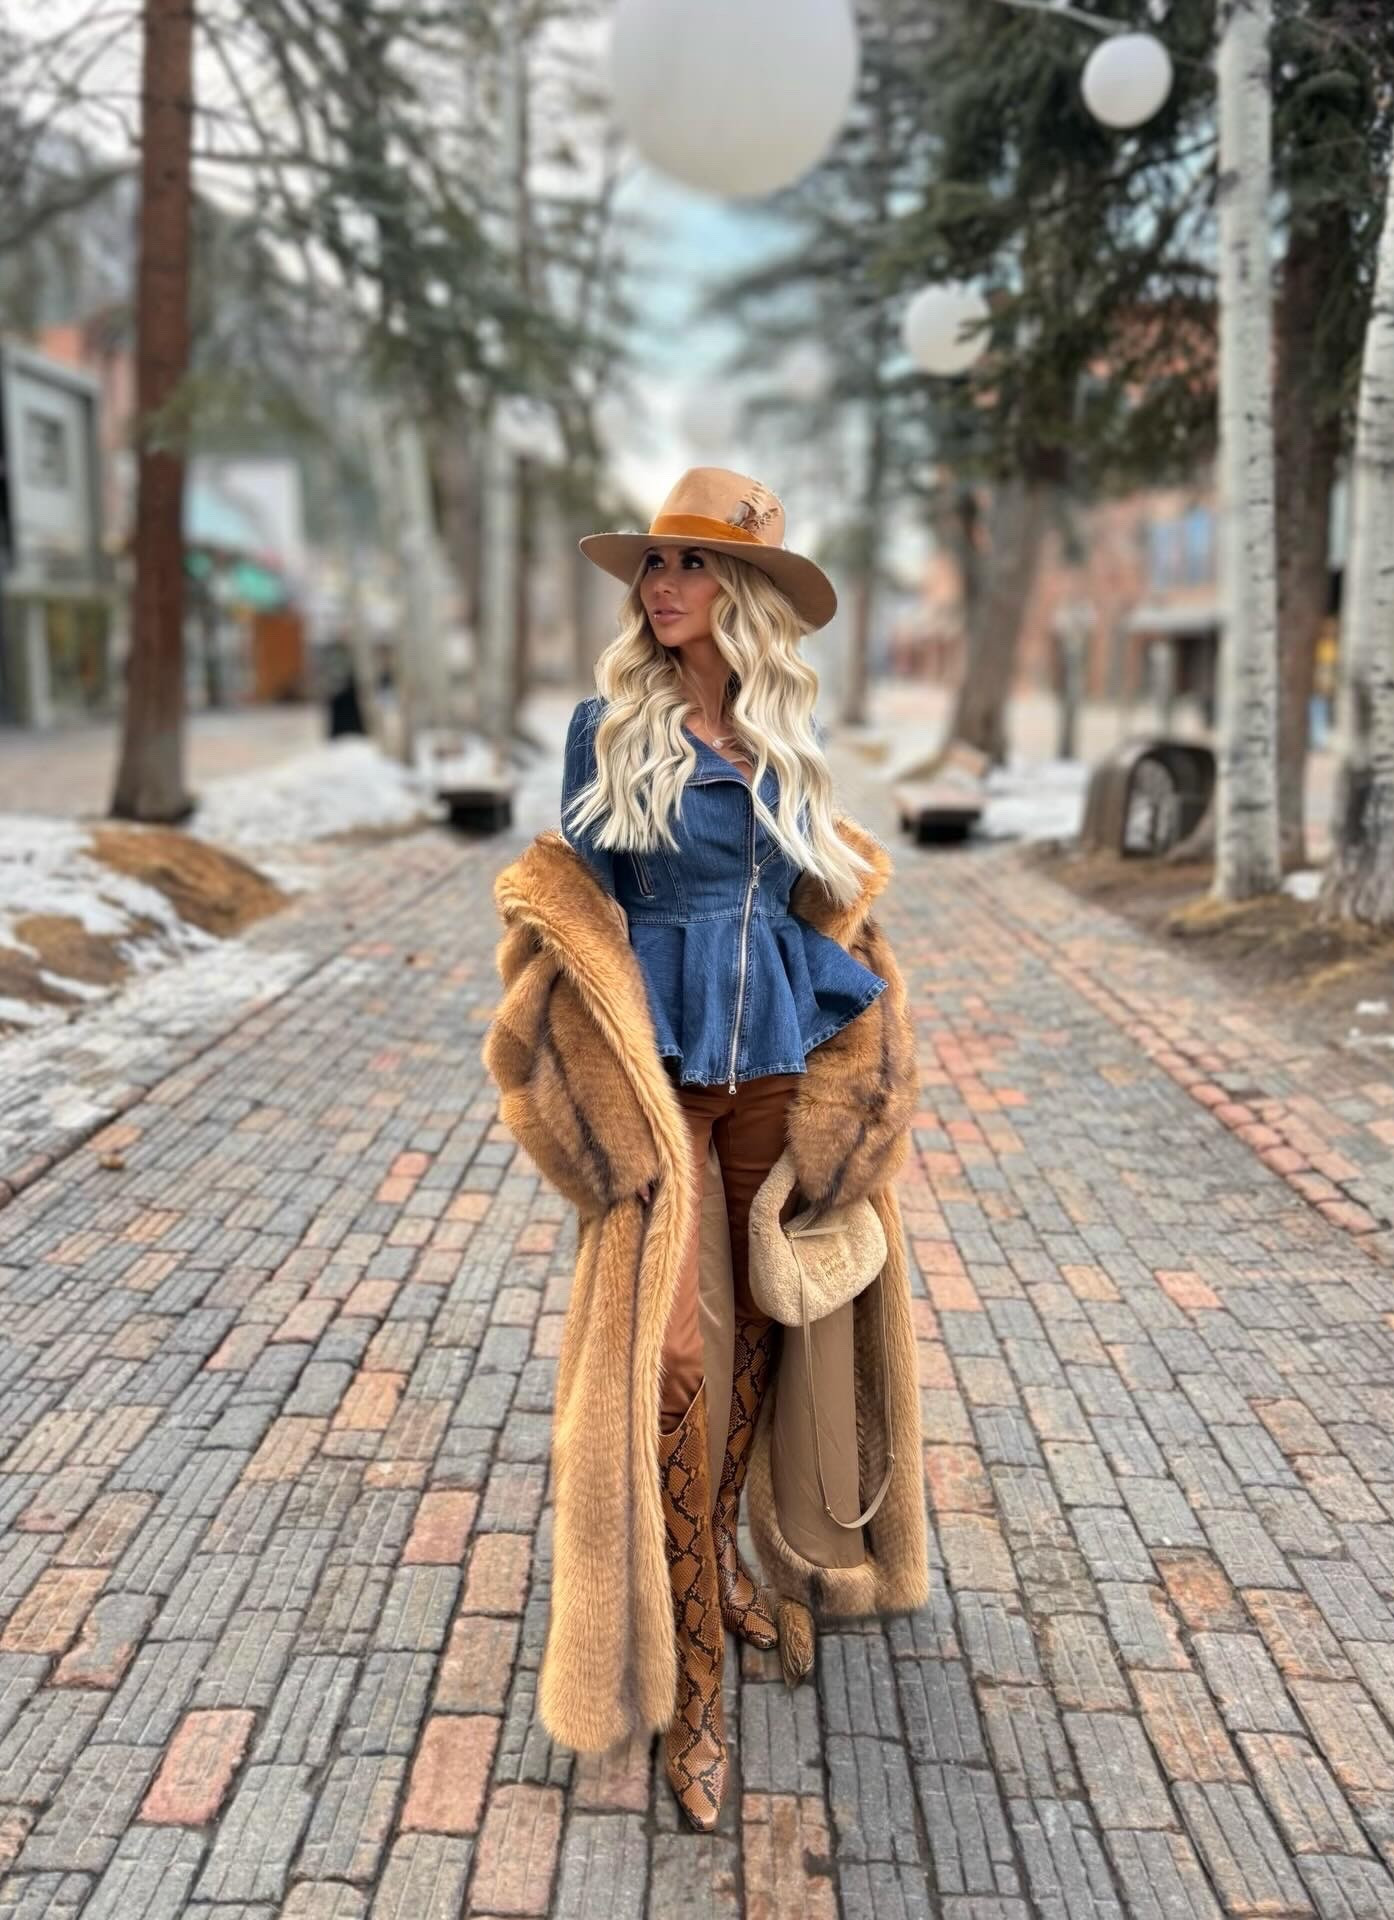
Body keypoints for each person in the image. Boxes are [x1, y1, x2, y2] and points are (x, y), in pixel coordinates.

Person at [483, 468, 927, 1833]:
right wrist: (584, 1083)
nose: (661, 588)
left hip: (777, 1074)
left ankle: (729, 1557)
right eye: (651, 567)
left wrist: (868, 1050)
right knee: (674, 1352)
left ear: (739, 593)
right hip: (665, 1086)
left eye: (689, 566)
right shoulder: (605, 727)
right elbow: (583, 918)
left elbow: (818, 901)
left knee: (761, 1340)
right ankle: (696, 1688)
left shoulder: (790, 734)